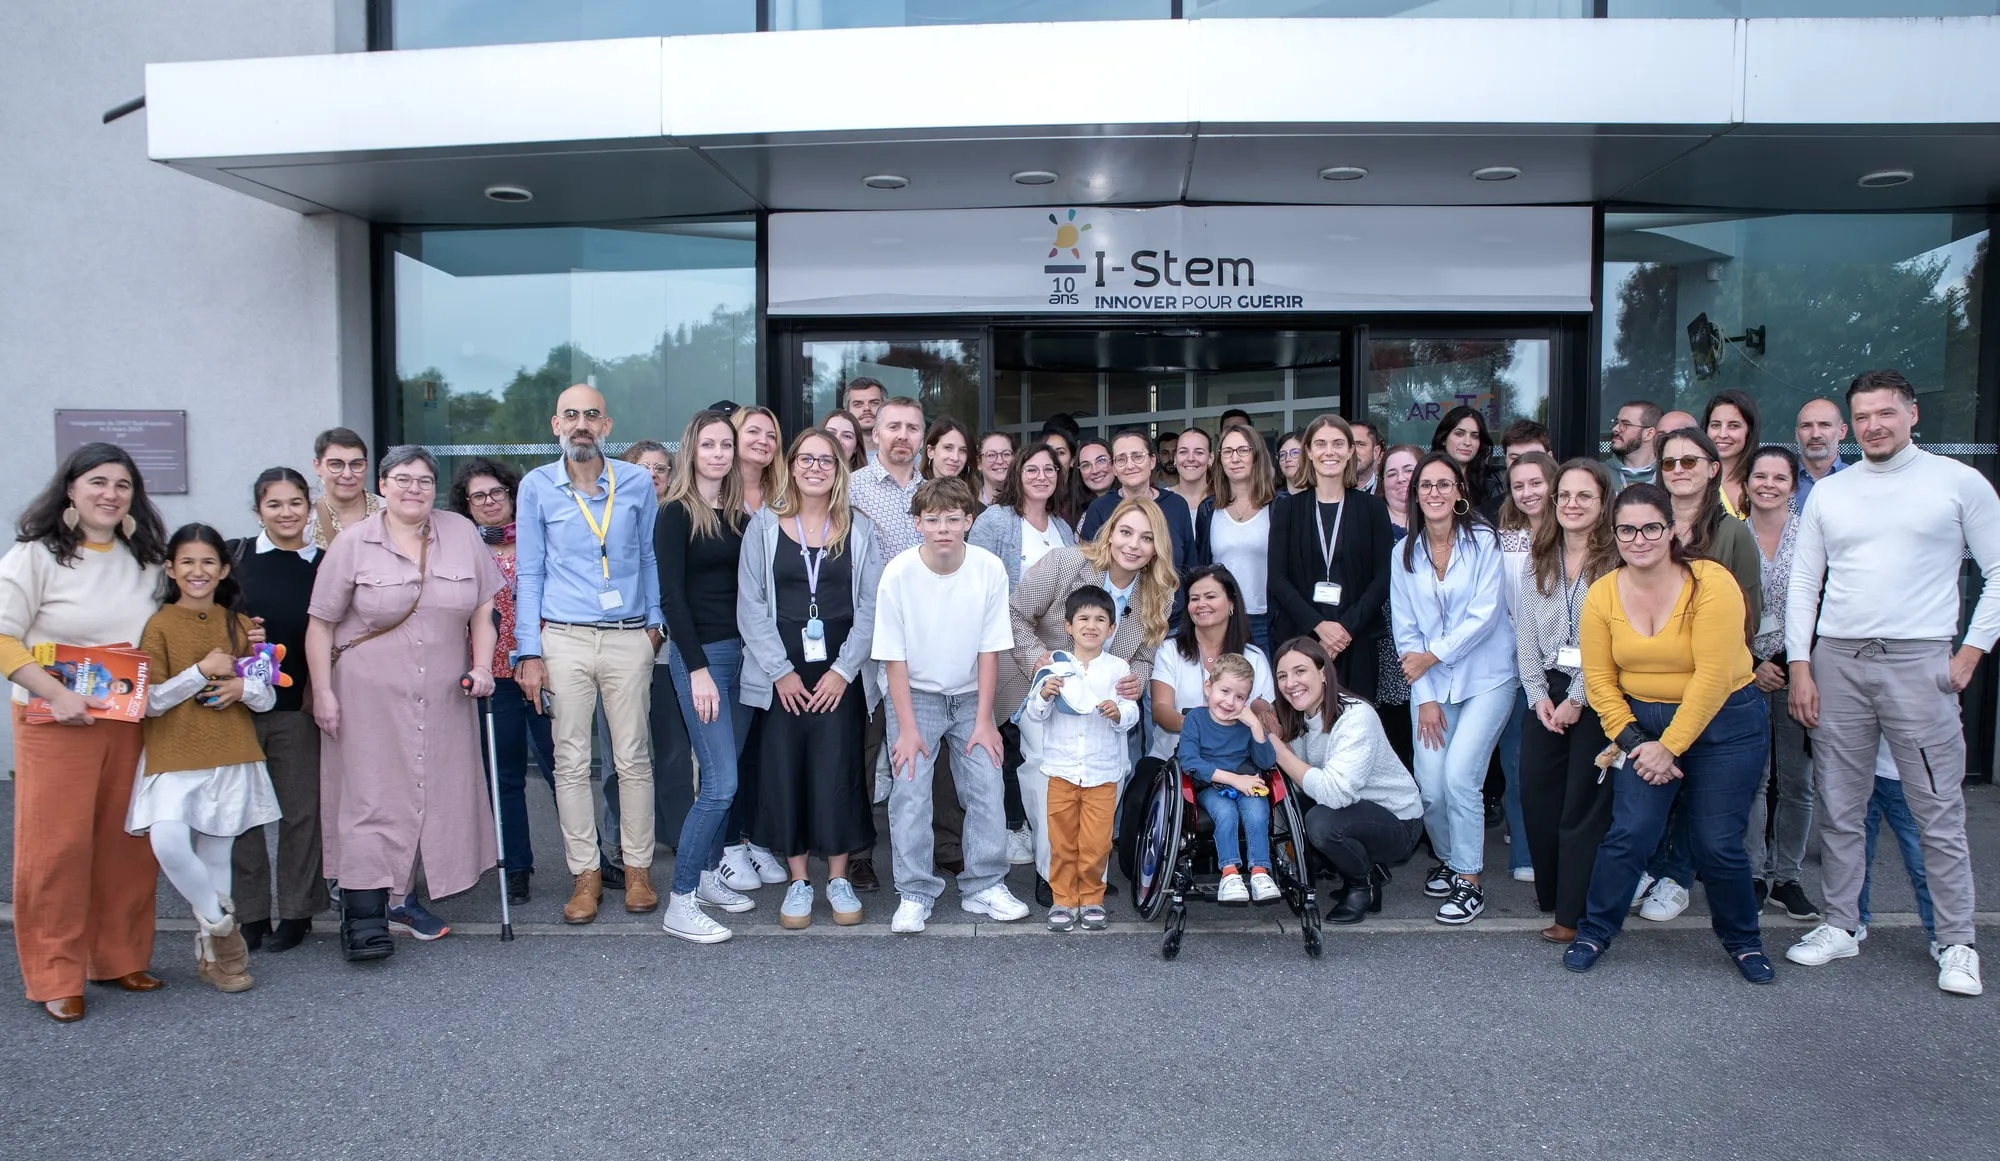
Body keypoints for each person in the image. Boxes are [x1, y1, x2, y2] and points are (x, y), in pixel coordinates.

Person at [1782, 369, 1999, 997]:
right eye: (1865, 415)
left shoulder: (1956, 483)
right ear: (1853, 425)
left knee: (1937, 807)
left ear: (1912, 414)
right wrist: (1801, 663)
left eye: (1887, 413)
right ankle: (1842, 923)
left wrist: (1971, 653)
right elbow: (1804, 582)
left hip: (1919, 662)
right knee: (1842, 805)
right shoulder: (1832, 492)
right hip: (1838, 662)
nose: (1875, 425)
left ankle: (1956, 941)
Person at [1565, 483, 1773, 984]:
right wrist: (1638, 745)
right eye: (1627, 529)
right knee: (1629, 834)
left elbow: (1714, 676)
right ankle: (1594, 931)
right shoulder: (1602, 594)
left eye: (1651, 527)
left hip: (1726, 723)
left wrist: (1669, 747)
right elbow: (1599, 682)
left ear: (1674, 529)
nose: (1640, 539)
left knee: (1716, 841)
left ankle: (1743, 941)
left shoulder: (1712, 581)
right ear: (1613, 535)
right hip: (1644, 729)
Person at [307, 445, 503, 960]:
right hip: (366, 693)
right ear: (383, 484)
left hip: (442, 693)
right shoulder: (352, 543)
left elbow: (484, 608)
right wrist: (323, 693)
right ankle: (365, 912)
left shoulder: (459, 532)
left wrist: (482, 666)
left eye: (422, 480)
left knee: (433, 793)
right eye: (401, 479)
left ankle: (403, 897)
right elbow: (320, 623)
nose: (412, 488)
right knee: (370, 798)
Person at [0, 444, 170, 1021]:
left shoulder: (145, 557)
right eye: (98, 481)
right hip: (56, 722)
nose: (110, 494)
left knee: (127, 844)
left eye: (122, 485)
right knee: (56, 851)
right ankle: (55, 974)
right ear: (70, 489)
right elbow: (4, 638)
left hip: (127, 723)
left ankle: (119, 957)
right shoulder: (36, 556)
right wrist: (55, 694)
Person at [513, 384, 665, 925]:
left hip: (628, 637)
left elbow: (650, 556)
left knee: (632, 758)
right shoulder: (535, 488)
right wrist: (528, 652)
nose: (582, 423)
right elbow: (528, 573)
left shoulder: (636, 482)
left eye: (592, 415)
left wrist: (655, 626)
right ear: (556, 425)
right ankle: (586, 873)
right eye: (571, 415)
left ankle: (638, 867)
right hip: (564, 639)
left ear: (607, 425)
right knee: (570, 761)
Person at [739, 428, 882, 931]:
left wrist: (844, 671)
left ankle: (838, 877)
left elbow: (871, 607)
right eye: (806, 458)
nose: (816, 467)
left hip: (841, 671)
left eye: (826, 460)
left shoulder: (860, 530)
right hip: (781, 670)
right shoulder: (762, 527)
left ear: (839, 469)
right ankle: (799, 881)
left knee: (838, 769)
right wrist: (779, 672)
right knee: (785, 769)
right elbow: (751, 604)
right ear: (792, 464)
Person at [873, 477, 1030, 933]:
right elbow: (893, 658)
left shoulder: (988, 569)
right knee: (909, 791)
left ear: (969, 520)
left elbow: (990, 651)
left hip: (970, 695)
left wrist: (984, 722)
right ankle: (914, 892)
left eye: (953, 518)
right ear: (918, 522)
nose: (943, 527)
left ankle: (983, 885)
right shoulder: (899, 573)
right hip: (914, 694)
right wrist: (906, 728)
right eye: (933, 519)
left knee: (985, 786)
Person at [133, 524, 283, 993]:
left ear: (222, 569)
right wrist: (199, 672)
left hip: (231, 751)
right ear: (171, 569)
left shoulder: (240, 625)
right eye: (187, 562)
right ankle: (224, 930)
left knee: (217, 855)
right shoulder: (157, 625)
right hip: (172, 753)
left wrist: (244, 687)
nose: (198, 571)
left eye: (208, 563)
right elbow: (150, 701)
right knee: (169, 843)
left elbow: (267, 698)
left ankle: (214, 958)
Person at [1011, 498, 1176, 901]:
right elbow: (1014, 613)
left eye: (1146, 538)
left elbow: (1144, 657)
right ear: (1110, 531)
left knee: (1109, 776)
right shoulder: (1065, 563)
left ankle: (1092, 873)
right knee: (1044, 777)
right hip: (1049, 691)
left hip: (1105, 704)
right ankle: (1052, 873)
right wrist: (1039, 661)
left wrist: (1135, 682)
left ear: (1158, 547)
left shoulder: (1160, 593)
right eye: (1126, 532)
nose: (1133, 545)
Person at [1633, 425, 1761, 922]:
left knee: (1698, 786)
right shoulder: (1644, 523)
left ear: (1713, 468)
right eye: (1669, 463)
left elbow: (1749, 614)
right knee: (1653, 777)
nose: (1679, 471)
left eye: (1690, 461)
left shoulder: (1732, 533)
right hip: (1650, 683)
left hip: (1709, 686)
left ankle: (1678, 876)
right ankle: (1651, 866)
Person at [1390, 452, 1516, 926]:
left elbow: (1485, 616)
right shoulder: (1404, 553)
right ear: (1415, 495)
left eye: (1445, 485)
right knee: (1431, 786)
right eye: (1426, 486)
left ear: (1460, 492)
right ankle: (1449, 857)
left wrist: (1433, 655)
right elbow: (1406, 633)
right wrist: (1423, 696)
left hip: (1488, 678)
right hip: (1430, 685)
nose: (1435, 493)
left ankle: (1469, 879)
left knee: (1462, 776)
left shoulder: (1484, 541)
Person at [651, 409, 763, 942]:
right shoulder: (675, 513)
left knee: (729, 770)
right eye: (709, 445)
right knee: (720, 784)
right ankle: (681, 901)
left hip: (744, 657)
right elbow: (672, 597)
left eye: (726, 445)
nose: (718, 454)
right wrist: (696, 669)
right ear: (691, 450)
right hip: (705, 660)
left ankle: (709, 874)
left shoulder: (738, 514)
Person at [1514, 459, 1620, 944]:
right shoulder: (1541, 554)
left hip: (1599, 692)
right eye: (1565, 496)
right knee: (1538, 795)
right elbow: (1526, 633)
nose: (1572, 505)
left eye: (1584, 496)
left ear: (1603, 503)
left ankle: (1573, 917)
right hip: (1545, 693)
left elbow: (1613, 638)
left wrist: (1578, 697)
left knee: (1583, 804)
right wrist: (1538, 694)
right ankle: (1553, 896)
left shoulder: (1618, 558)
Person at [446, 458, 559, 905]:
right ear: (467, 506)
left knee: (562, 771)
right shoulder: (459, 551)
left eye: (496, 493)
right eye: (478, 497)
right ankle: (516, 866)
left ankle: (590, 861)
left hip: (545, 671)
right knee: (506, 777)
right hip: (492, 677)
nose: (489, 502)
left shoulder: (539, 540)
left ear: (512, 496)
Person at [228, 468, 329, 951]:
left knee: (300, 813)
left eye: (295, 503)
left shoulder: (327, 564)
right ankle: (249, 913)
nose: (286, 513)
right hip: (239, 705)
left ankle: (297, 910)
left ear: (310, 508)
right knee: (243, 816)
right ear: (258, 511)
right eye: (275, 504)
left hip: (300, 706)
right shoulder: (236, 559)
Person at [968, 442, 1077, 863]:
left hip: (1053, 654)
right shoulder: (995, 521)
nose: (1040, 477)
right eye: (1030, 470)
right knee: (1012, 739)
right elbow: (976, 584)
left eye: (1048, 469)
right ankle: (1014, 826)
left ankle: (1039, 825)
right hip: (1006, 646)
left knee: (1045, 743)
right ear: (1017, 475)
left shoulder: (1063, 529)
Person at [1269, 636, 1424, 924]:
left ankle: (1362, 885)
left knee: (1321, 823)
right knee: (1287, 805)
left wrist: (1279, 750)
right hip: (1354, 809)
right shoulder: (1300, 714)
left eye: (1300, 671)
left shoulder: (1355, 716)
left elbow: (1335, 793)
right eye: (1282, 676)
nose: (1291, 683)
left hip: (1398, 819)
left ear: (1324, 673)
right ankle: (1363, 868)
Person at [846, 394, 930, 893]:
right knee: (864, 746)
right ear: (873, 434)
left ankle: (933, 851)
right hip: (867, 637)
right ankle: (859, 853)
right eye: (893, 427)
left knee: (921, 748)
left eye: (912, 428)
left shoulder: (937, 491)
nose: (903, 436)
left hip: (925, 639)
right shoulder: (851, 489)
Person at [1022, 586, 1138, 931]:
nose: (1092, 625)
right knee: (1061, 840)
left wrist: (1119, 713)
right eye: (1083, 619)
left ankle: (1091, 898)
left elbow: (1131, 710)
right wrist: (1043, 695)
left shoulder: (1118, 668)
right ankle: (1062, 900)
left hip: (1102, 773)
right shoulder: (1055, 665)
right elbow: (1035, 713)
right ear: (1068, 626)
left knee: (1096, 842)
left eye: (1100, 619)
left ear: (1112, 628)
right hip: (1060, 771)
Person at [1741, 446, 1818, 921]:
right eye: (1760, 476)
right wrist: (1752, 663)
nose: (1768, 484)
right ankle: (1750, 873)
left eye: (1779, 478)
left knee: (1797, 782)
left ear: (1794, 485)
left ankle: (1786, 877)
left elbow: (1822, 600)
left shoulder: (1812, 534)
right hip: (1745, 669)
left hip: (1799, 670)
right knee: (1753, 778)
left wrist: (1791, 663)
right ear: (1746, 482)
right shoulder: (1731, 534)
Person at [1268, 415, 1393, 701]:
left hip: (1357, 639)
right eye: (1321, 444)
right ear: (1309, 452)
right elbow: (1277, 578)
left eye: (1338, 444)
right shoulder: (1288, 510)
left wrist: (1344, 629)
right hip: (1301, 639)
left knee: (1356, 727)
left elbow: (1383, 577)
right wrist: (1319, 626)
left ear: (1351, 451)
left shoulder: (1373, 509)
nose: (1330, 452)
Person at [617, 440, 697, 882]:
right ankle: (621, 842)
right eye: (644, 468)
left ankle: (680, 835)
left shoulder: (677, 516)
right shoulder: (613, 520)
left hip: (667, 656)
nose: (654, 476)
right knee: (621, 756)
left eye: (662, 469)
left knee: (670, 752)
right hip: (619, 648)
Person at [1495, 450, 1560, 884]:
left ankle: (1565, 852)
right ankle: (1525, 850)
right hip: (1513, 664)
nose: (1527, 493)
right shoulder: (1504, 537)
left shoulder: (1575, 534)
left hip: (1566, 667)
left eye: (1535, 483)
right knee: (1518, 764)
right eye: (1518, 485)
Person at [1147, 565, 1276, 765]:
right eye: (1194, 598)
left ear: (1232, 603)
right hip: (1173, 763)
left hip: (1236, 765)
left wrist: (1262, 713)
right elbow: (1160, 709)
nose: (1201, 604)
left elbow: (1267, 715)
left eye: (1210, 596)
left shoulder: (1254, 658)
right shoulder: (1170, 650)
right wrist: (1202, 726)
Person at [1178, 654, 1280, 905]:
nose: (1230, 702)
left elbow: (1266, 762)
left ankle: (1259, 872)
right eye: (1224, 691)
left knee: (1258, 809)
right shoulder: (1196, 720)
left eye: (1239, 697)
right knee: (1226, 812)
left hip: (1246, 781)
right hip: (1211, 785)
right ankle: (1230, 874)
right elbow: (1189, 761)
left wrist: (1256, 727)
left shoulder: (1246, 725)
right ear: (1208, 687)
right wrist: (1235, 780)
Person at [1078, 429, 1196, 593]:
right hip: (1115, 613)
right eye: (1121, 459)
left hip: (1172, 614)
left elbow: (1191, 566)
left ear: (1152, 461)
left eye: (1137, 456)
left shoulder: (1177, 505)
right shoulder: (1100, 508)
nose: (1130, 465)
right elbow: (1087, 569)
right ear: (1114, 468)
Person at [1195, 423, 1278, 654]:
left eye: (1243, 450)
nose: (1235, 458)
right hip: (1223, 620)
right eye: (1228, 451)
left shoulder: (1280, 506)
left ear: (1257, 455)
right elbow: (1202, 568)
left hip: (1267, 621)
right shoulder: (1209, 509)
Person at [1857, 738, 1937, 955]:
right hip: (1866, 773)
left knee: (1921, 863)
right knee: (1856, 856)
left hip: (1908, 778)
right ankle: (1854, 920)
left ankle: (1941, 935)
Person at [1373, 443, 1424, 773]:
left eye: (1408, 470)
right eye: (1391, 473)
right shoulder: (1369, 519)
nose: (1400, 479)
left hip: (1432, 641)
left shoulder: (1439, 518)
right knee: (1395, 734)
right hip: (1384, 637)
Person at [304, 427, 382, 550]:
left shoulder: (390, 513)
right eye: (336, 465)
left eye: (356, 465)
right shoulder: (304, 519)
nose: (347, 474)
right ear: (317, 467)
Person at [1431, 405, 1499, 517]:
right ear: (1443, 439)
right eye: (1459, 434)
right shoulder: (1426, 478)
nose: (1467, 442)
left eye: (1474, 436)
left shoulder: (1493, 482)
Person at [1703, 389, 1759, 520]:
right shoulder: (1690, 477)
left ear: (1749, 432)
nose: (1722, 434)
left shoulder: (1766, 479)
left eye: (1733, 426)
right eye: (1715, 425)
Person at [1792, 397, 1848, 510]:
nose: (1815, 434)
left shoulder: (1857, 481)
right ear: (1797, 434)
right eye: (1806, 426)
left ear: (1842, 432)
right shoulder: (1778, 482)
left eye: (1825, 425)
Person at [733, 404, 785, 515]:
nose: (763, 441)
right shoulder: (714, 495)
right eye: (753, 431)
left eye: (771, 436)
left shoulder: (786, 498)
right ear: (732, 437)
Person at [1605, 400, 1663, 489]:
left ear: (1649, 434)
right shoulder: (1600, 473)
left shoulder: (1667, 473)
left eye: (1625, 424)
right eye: (1617, 422)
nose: (1615, 429)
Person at [922, 416, 981, 502]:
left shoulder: (976, 499)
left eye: (962, 450)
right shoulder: (913, 495)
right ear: (930, 451)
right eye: (948, 448)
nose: (955, 458)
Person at [840, 376, 885, 464]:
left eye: (874, 403)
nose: (867, 408)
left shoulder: (904, 454)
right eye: (858, 404)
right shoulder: (836, 453)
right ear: (847, 410)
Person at [1169, 425, 1211, 514]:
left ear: (1210, 458)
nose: (1190, 458)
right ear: (1175, 458)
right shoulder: (1160, 500)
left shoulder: (1224, 500)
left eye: (1199, 452)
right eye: (1183, 452)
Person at [975, 430, 1016, 507]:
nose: (1000, 461)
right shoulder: (967, 505)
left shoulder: (1027, 504)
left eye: (1006, 454)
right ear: (979, 463)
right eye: (991, 455)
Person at [1074, 436, 1115, 501]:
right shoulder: (1072, 508)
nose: (1095, 471)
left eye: (1101, 461)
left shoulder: (1132, 505)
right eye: (1086, 465)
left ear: (1114, 462)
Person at [1351, 421, 1383, 494]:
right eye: (1348, 444)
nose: (1352, 451)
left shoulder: (1389, 492)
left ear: (1376, 452)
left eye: (1360, 444)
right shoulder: (1323, 491)